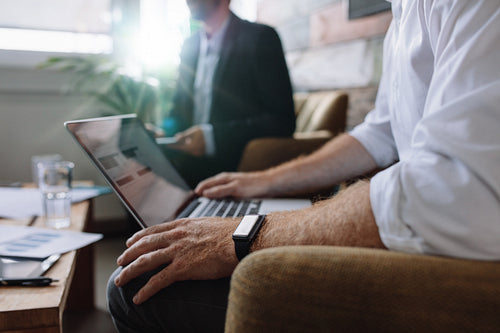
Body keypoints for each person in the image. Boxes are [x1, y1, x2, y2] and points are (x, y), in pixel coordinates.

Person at [108, 1, 500, 332]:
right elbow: (380, 133)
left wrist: (243, 236)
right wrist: (258, 182)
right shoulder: (404, 16)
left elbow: (456, 189)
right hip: (426, 223)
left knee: (134, 289)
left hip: (455, 254)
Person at [156, 0, 295, 188]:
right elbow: (179, 107)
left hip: (234, 168)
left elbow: (282, 120)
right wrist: (164, 132)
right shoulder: (190, 45)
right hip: (186, 164)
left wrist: (212, 137)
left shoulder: (260, 38)